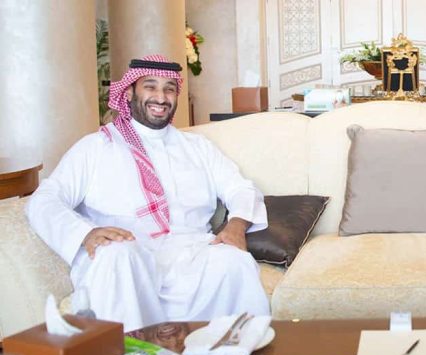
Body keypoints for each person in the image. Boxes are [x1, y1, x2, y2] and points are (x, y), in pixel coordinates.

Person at [26, 55, 270, 331]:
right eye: (150, 87)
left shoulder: (197, 147)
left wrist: (236, 225)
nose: (161, 97)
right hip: (127, 253)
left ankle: (233, 354)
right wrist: (85, 233)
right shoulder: (95, 147)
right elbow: (45, 198)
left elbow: (240, 187)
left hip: (190, 253)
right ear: (129, 92)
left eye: (169, 89)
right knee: (118, 257)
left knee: (234, 261)